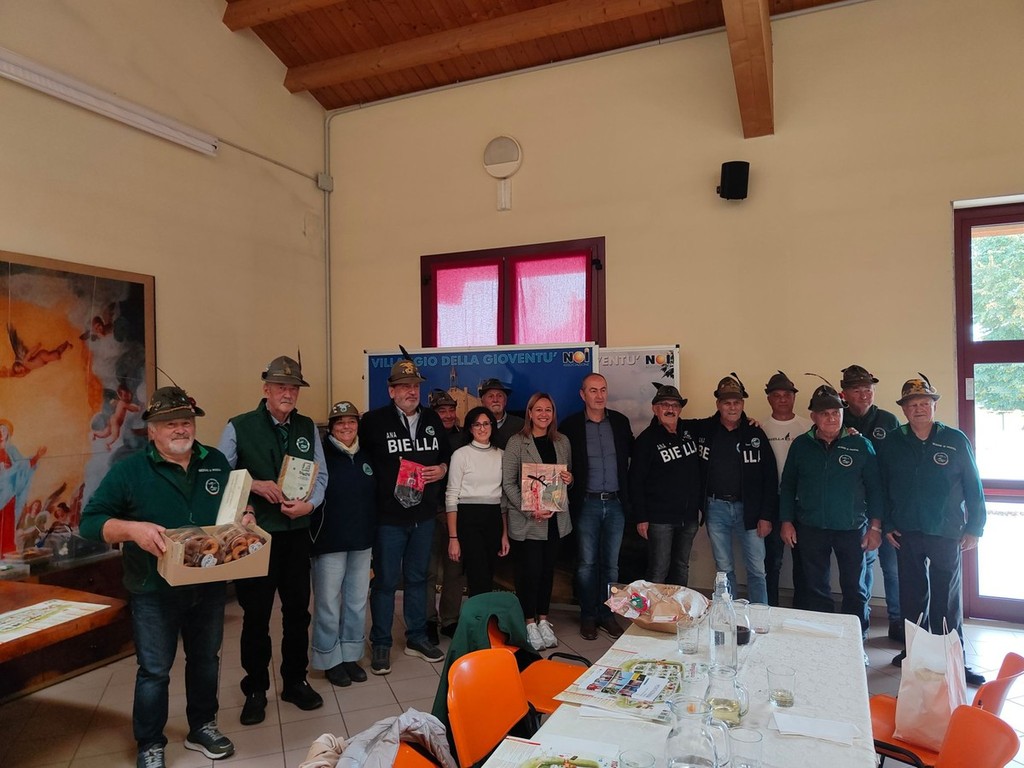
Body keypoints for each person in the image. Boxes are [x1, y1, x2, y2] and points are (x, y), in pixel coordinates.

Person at [80, 386, 237, 768]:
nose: (180, 429)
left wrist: (244, 515)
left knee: (205, 660)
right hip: (154, 588)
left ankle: (202, 726)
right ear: (152, 430)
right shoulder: (129, 470)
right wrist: (132, 530)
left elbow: (234, 504)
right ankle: (150, 742)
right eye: (169, 424)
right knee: (154, 671)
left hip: (208, 583)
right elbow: (90, 522)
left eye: (186, 421)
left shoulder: (216, 461)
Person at [217, 355, 328, 724]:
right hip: (256, 537)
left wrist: (310, 505)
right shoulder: (238, 426)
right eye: (281, 386)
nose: (288, 393)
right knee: (256, 616)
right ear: (266, 389)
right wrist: (253, 485)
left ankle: (295, 681)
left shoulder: (306, 426)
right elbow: (218, 477)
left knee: (298, 613)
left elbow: (321, 475)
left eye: (294, 388)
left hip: (296, 536)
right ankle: (255, 689)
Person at [879, 374, 987, 686]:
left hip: (946, 531)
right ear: (904, 409)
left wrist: (975, 527)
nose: (919, 409)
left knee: (947, 600)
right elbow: (882, 487)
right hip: (906, 532)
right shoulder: (892, 443)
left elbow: (973, 485)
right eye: (912, 404)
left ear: (934, 406)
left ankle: (954, 661)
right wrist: (887, 524)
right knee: (912, 597)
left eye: (924, 403)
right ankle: (914, 654)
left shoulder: (955, 439)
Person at [360, 355, 452, 675]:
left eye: (415, 386)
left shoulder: (432, 419)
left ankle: (416, 637)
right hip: (388, 518)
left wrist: (442, 469)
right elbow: (361, 464)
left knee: (418, 578)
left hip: (423, 515)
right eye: (404, 386)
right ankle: (381, 642)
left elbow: (446, 456)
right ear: (391, 391)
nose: (411, 391)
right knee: (385, 581)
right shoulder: (373, 422)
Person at [779, 384, 884, 647]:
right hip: (811, 526)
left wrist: (875, 527)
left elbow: (875, 488)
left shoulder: (860, 444)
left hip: (852, 528)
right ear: (813, 416)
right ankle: (822, 641)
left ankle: (855, 641)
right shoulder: (801, 445)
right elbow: (788, 485)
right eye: (824, 413)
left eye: (836, 413)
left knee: (854, 587)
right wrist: (787, 521)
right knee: (816, 587)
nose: (831, 418)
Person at [561, 372, 633, 641]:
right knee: (587, 564)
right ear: (583, 395)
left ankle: (607, 614)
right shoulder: (570, 426)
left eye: (603, 389)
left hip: (615, 503)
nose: (599, 395)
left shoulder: (620, 422)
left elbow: (636, 455)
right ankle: (588, 616)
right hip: (587, 503)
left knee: (611, 566)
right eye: (593, 390)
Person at [695, 374, 778, 604]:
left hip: (750, 510)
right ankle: (727, 614)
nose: (732, 407)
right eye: (727, 403)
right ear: (718, 404)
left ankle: (759, 614)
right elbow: (673, 424)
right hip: (716, 508)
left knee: (757, 569)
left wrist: (766, 516)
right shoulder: (704, 429)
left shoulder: (755, 432)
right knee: (723, 569)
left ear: (742, 404)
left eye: (737, 402)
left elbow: (770, 477)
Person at [310, 401, 374, 688]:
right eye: (340, 422)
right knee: (328, 603)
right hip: (329, 541)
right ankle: (329, 659)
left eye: (351, 421)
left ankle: (350, 655)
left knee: (357, 602)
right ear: (331, 427)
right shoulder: (321, 455)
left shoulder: (366, 454)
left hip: (361, 540)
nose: (346, 427)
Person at [502, 392, 573, 651]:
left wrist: (570, 480)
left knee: (547, 572)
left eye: (548, 410)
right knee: (529, 573)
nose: (544, 414)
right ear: (530, 413)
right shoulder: (517, 442)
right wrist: (530, 508)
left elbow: (566, 478)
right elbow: (508, 483)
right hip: (529, 521)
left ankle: (543, 619)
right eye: (539, 409)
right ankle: (529, 622)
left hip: (555, 521)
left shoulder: (562, 441)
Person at [840, 364, 903, 641]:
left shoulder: (888, 420)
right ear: (844, 394)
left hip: (889, 505)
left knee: (893, 566)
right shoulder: (837, 419)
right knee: (862, 566)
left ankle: (897, 620)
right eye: (857, 390)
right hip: (857, 507)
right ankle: (861, 624)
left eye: (868, 389)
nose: (864, 394)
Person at [629, 383, 701, 586]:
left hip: (688, 517)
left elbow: (718, 421)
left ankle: (677, 606)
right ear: (655, 409)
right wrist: (641, 517)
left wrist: (748, 420)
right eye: (664, 405)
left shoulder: (691, 430)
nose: (670, 409)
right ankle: (654, 607)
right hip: (659, 519)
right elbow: (635, 481)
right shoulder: (645, 441)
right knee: (658, 569)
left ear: (680, 409)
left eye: (675, 405)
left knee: (681, 566)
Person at [760, 371, 812, 608]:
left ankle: (801, 609)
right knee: (772, 561)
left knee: (804, 561)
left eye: (787, 395)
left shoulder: (809, 426)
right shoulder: (760, 427)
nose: (782, 399)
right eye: (776, 395)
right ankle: (770, 609)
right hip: (772, 501)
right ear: (769, 398)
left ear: (794, 397)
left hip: (802, 502)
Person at [446, 405, 509, 597]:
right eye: (477, 424)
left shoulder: (502, 455)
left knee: (488, 574)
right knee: (477, 574)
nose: (482, 428)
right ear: (470, 428)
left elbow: (503, 498)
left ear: (492, 426)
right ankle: (478, 616)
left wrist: (504, 534)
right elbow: (451, 496)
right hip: (468, 519)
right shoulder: (460, 455)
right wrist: (453, 538)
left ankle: (484, 615)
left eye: (486, 424)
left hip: (493, 518)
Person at [425, 389, 467, 643]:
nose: (449, 415)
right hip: (429, 510)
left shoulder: (463, 437)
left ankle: (450, 619)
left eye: (452, 410)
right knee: (428, 570)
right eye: (442, 411)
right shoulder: (425, 435)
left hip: (456, 512)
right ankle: (428, 620)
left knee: (455, 570)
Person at [478, 378, 524, 449]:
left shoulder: (520, 425)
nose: (495, 400)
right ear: (482, 402)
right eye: (490, 396)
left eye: (499, 396)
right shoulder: (476, 426)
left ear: (505, 401)